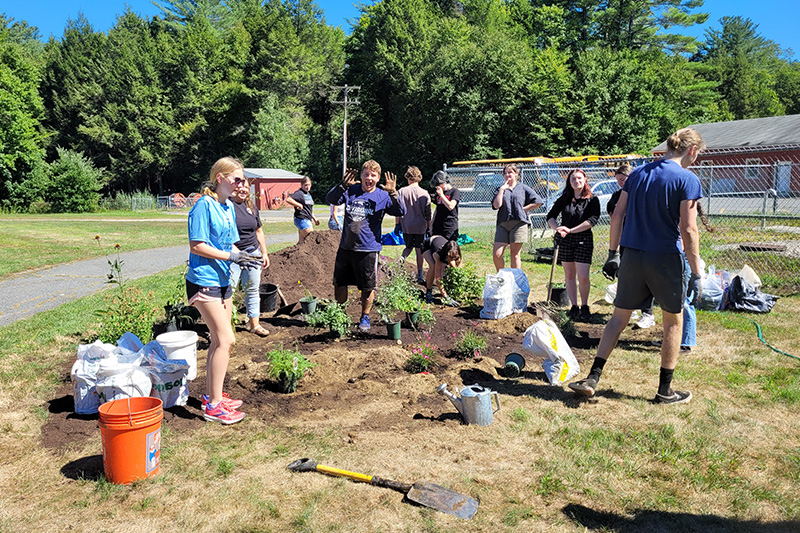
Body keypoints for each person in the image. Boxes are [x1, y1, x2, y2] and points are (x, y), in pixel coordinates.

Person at [569, 127, 706, 405]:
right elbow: (689, 230)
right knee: (673, 320)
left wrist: (612, 253)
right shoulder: (687, 179)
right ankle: (665, 391)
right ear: (691, 151)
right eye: (697, 155)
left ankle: (592, 377)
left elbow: (617, 215)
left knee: (618, 318)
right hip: (666, 257)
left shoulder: (638, 174)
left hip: (631, 255)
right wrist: (696, 271)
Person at [187, 157, 259, 425]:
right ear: (220, 178)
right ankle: (214, 407)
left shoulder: (227, 206)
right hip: (203, 281)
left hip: (223, 282)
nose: (242, 184)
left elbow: (230, 245)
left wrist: (246, 255)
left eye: (243, 180)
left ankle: (211, 396)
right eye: (237, 179)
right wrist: (232, 257)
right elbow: (197, 246)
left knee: (220, 342)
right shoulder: (202, 206)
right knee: (226, 340)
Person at [326, 160, 405, 331]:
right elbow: (330, 199)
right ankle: (340, 315)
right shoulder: (351, 191)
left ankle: (365, 317)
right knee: (340, 283)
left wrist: (393, 193)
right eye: (366, 174)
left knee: (367, 286)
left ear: (378, 178)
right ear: (361, 176)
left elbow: (401, 211)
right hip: (346, 247)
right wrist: (342, 185)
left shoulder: (383, 195)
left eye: (373, 175)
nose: (369, 178)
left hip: (368, 248)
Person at [546, 169, 601, 321]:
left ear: (584, 180)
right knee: (569, 275)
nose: (576, 181)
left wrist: (571, 230)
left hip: (583, 239)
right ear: (569, 182)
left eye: (579, 178)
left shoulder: (592, 199)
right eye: (573, 179)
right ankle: (574, 306)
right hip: (566, 240)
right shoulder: (564, 199)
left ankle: (584, 306)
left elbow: (592, 220)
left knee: (583, 276)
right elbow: (550, 216)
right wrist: (558, 228)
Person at [607, 163, 655, 330]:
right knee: (626, 276)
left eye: (623, 179)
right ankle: (630, 309)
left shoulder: (643, 195)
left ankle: (647, 313)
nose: (621, 183)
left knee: (646, 278)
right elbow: (615, 219)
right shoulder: (616, 197)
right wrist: (613, 250)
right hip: (626, 242)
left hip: (644, 242)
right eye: (618, 180)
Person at [229, 177, 270, 337]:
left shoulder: (251, 208)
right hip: (232, 255)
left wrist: (264, 252)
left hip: (253, 253)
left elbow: (258, 230)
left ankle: (255, 324)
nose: (243, 190)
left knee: (252, 289)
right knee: (228, 292)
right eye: (240, 187)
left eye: (246, 187)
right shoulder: (227, 206)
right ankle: (224, 328)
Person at [491, 163, 543, 271]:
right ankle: (502, 276)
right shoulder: (499, 189)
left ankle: (515, 280)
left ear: (516, 173)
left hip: (519, 224)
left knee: (514, 254)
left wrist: (524, 209)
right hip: (503, 223)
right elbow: (496, 206)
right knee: (497, 254)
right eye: (505, 173)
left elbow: (538, 201)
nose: (507, 175)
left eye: (510, 172)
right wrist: (501, 190)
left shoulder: (523, 188)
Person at [396, 166, 432, 284]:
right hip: (420, 226)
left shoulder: (401, 191)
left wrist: (397, 225)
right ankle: (420, 274)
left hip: (406, 225)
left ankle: (402, 257)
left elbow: (398, 211)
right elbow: (428, 213)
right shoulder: (424, 193)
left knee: (408, 246)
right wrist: (429, 227)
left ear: (408, 177)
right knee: (419, 250)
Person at [422, 236, 462, 306]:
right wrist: (446, 296)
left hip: (439, 240)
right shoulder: (438, 255)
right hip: (427, 245)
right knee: (433, 266)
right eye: (451, 258)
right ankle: (428, 291)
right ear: (447, 255)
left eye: (454, 258)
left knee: (452, 266)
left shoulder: (456, 252)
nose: (452, 259)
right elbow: (438, 278)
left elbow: (458, 268)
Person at [285, 176, 319, 244]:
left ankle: (297, 254)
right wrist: (298, 205)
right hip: (302, 219)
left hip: (307, 219)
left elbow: (308, 208)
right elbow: (288, 199)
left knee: (302, 243)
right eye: (306, 185)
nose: (307, 187)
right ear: (302, 185)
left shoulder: (308, 194)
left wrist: (314, 218)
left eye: (309, 185)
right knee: (311, 240)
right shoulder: (299, 193)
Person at [429, 170, 460, 242]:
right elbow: (437, 210)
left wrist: (442, 195)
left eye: (438, 185)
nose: (437, 188)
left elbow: (451, 206)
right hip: (438, 226)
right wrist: (431, 226)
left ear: (444, 182)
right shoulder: (438, 194)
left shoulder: (454, 192)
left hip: (449, 227)